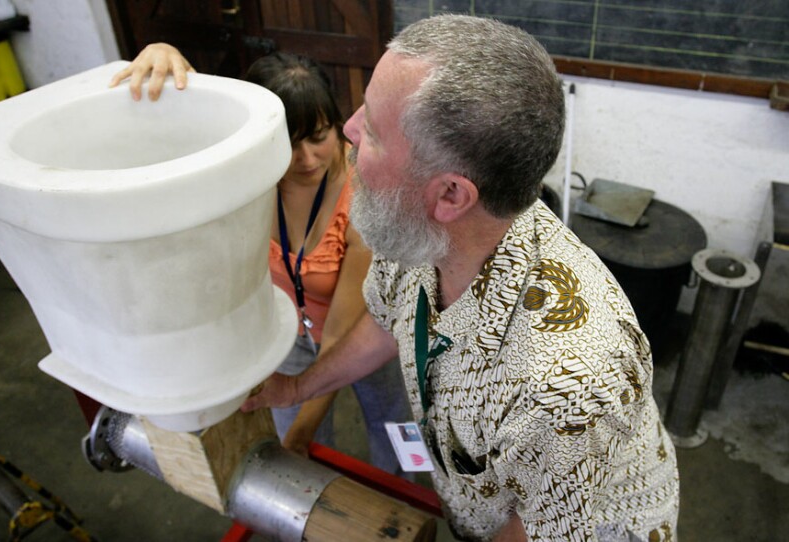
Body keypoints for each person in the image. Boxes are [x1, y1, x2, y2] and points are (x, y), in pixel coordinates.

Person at [238, 15, 680, 542]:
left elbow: (538, 530)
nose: (350, 130)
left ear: (451, 195)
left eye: (374, 130)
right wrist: (295, 388)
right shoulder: (414, 225)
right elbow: (386, 321)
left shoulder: (567, 386)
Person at [110, 45, 412, 474]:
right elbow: (194, 121)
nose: (307, 160)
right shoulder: (246, 175)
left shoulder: (365, 199)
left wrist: (298, 433)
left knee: (396, 434)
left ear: (337, 125)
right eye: (289, 144)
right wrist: (163, 52)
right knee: (300, 466)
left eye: (319, 136)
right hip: (287, 328)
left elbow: (340, 338)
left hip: (363, 336)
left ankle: (404, 500)